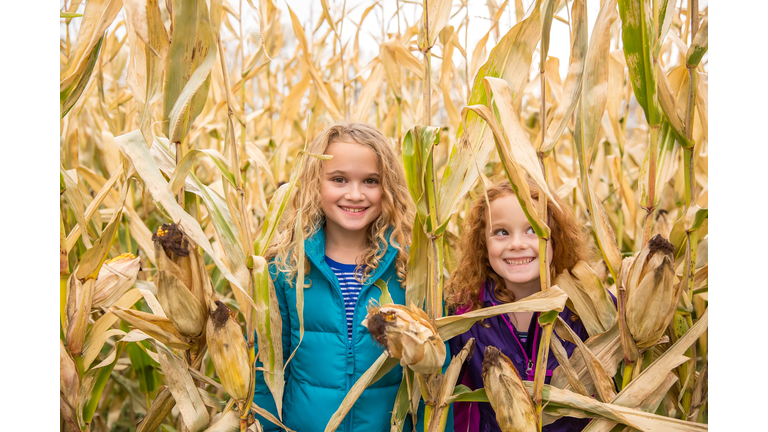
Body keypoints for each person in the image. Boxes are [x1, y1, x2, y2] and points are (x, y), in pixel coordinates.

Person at [252, 122, 445, 432]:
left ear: (388, 188)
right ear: (316, 184)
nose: (355, 194)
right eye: (339, 179)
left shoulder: (413, 267)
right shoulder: (285, 268)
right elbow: (267, 369)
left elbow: (435, 375)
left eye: (370, 181)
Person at [445, 177, 594, 432]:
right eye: (501, 232)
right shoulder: (464, 313)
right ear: (484, 243)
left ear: (555, 238)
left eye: (532, 230)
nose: (516, 244)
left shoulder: (586, 310)